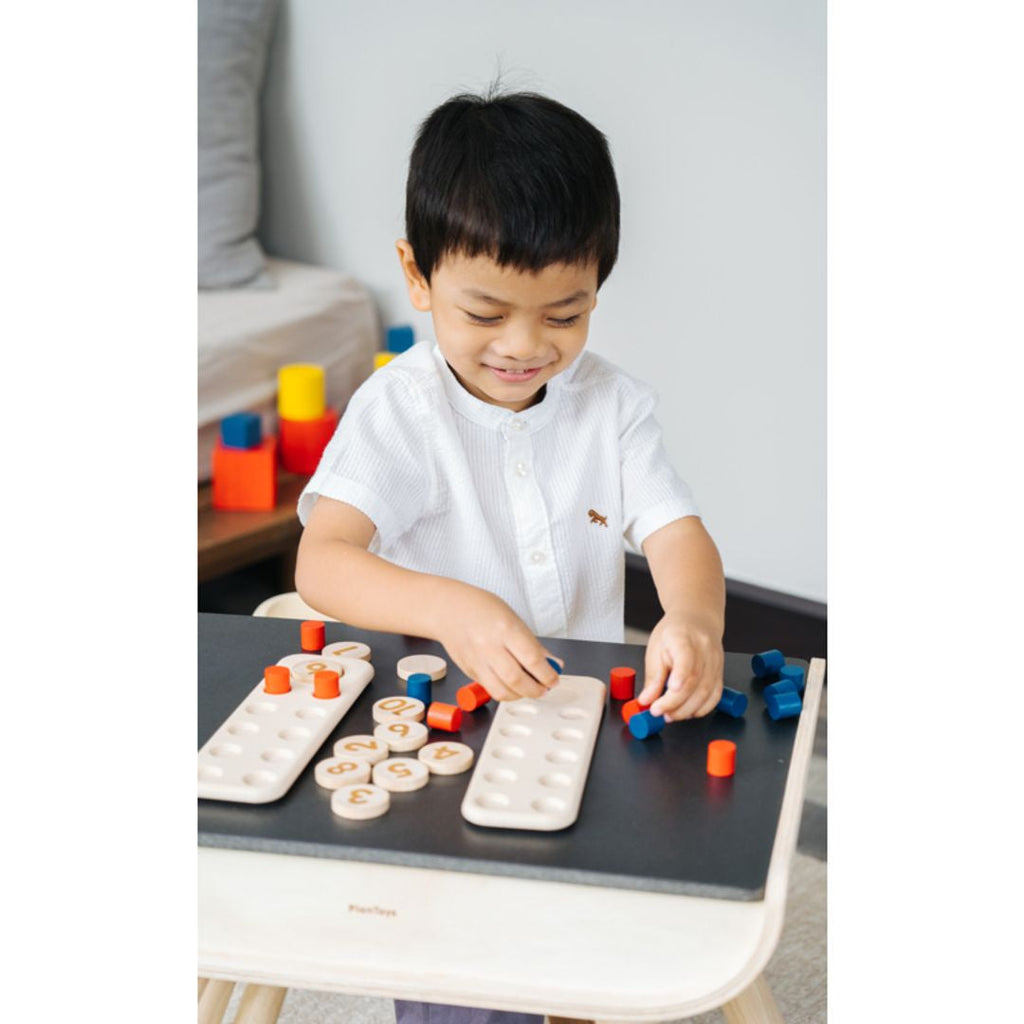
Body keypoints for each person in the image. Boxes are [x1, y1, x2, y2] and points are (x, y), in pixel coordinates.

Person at [294, 88, 726, 1024]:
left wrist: (693, 617)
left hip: (578, 716)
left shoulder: (613, 406)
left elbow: (677, 533)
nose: (525, 346)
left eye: (565, 315)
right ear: (418, 276)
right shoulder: (399, 412)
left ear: (597, 289)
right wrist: (451, 606)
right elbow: (321, 563)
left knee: (602, 935)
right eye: (486, 313)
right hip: (444, 729)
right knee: (462, 969)